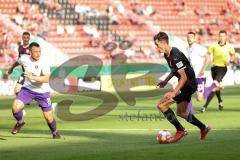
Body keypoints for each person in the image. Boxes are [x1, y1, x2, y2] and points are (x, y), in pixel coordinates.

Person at [154, 32, 210, 143]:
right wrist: (166, 80)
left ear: (163, 42)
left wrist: (174, 93)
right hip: (186, 85)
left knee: (162, 105)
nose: (156, 48)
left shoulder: (175, 55)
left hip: (189, 85)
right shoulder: (167, 54)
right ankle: (203, 128)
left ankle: (180, 130)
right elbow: (174, 70)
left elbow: (184, 77)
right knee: (182, 113)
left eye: (157, 45)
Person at [6, 42, 60, 139]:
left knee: (48, 118)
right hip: (28, 89)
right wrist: (11, 69)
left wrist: (33, 77)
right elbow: (18, 62)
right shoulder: (24, 58)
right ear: (30, 52)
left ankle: (55, 132)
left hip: (42, 91)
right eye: (35, 52)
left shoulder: (44, 62)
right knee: (15, 108)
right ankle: (20, 122)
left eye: (39, 51)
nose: (38, 53)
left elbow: (47, 79)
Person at [200, 30, 235, 112]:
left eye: (223, 36)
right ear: (218, 37)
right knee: (215, 87)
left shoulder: (230, 46)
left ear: (226, 37)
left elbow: (233, 55)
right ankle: (220, 101)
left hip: (223, 68)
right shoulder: (213, 45)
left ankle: (205, 106)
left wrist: (229, 61)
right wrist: (211, 62)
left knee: (214, 85)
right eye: (220, 36)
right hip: (214, 68)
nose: (221, 37)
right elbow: (208, 54)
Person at [186, 32, 209, 113]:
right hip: (192, 76)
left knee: (199, 99)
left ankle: (213, 86)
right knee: (186, 93)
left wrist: (203, 70)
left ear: (194, 39)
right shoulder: (187, 49)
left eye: (191, 37)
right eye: (188, 37)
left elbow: (207, 58)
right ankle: (190, 112)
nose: (189, 38)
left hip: (199, 76)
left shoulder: (198, 48)